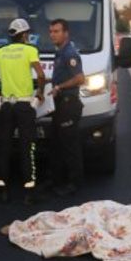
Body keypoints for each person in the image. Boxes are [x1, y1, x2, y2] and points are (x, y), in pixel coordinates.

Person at [0, 18, 46, 204]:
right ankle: (29, 192)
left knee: (4, 146)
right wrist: (39, 92)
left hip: (5, 105)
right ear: (23, 35)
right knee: (27, 147)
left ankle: (2, 188)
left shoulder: (0, 52)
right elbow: (40, 74)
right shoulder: (30, 50)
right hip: (24, 105)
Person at [47, 19, 85, 197]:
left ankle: (74, 183)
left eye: (56, 31)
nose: (52, 34)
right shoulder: (60, 53)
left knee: (70, 146)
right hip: (59, 104)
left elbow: (79, 78)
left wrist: (59, 87)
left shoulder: (70, 53)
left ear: (66, 33)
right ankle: (56, 180)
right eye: (51, 31)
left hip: (69, 104)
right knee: (56, 143)